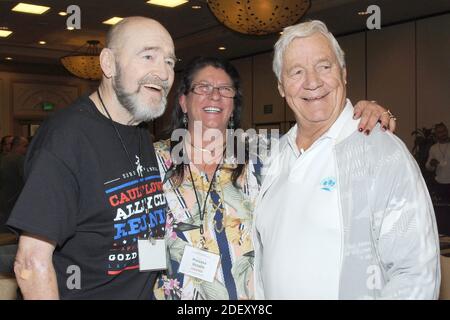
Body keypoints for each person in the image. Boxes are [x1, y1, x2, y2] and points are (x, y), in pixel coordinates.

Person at [153, 56, 395, 300]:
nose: (215, 95)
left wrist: (361, 113)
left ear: (233, 104)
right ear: (184, 101)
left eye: (225, 89)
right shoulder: (155, 163)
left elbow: (322, 140)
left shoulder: (264, 155)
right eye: (203, 88)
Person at [253, 20, 440, 299]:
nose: (312, 81)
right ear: (281, 87)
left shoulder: (381, 153)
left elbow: (416, 275)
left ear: (343, 73)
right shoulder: (273, 157)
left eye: (324, 66)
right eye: (297, 71)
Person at [6, 16, 175, 299]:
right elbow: (31, 262)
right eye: (148, 56)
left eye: (170, 61)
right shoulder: (66, 137)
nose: (163, 72)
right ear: (108, 63)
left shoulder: (139, 132)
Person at [0, 136, 28, 233]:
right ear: (18, 146)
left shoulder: (3, 159)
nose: (27, 149)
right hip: (14, 203)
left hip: (4, 202)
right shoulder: (21, 160)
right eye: (25, 146)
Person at [426, 123, 450, 202]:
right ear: (436, 134)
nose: (443, 133)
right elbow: (428, 167)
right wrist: (431, 164)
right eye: (440, 132)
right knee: (441, 211)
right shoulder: (433, 148)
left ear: (447, 131)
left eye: (444, 131)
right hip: (439, 184)